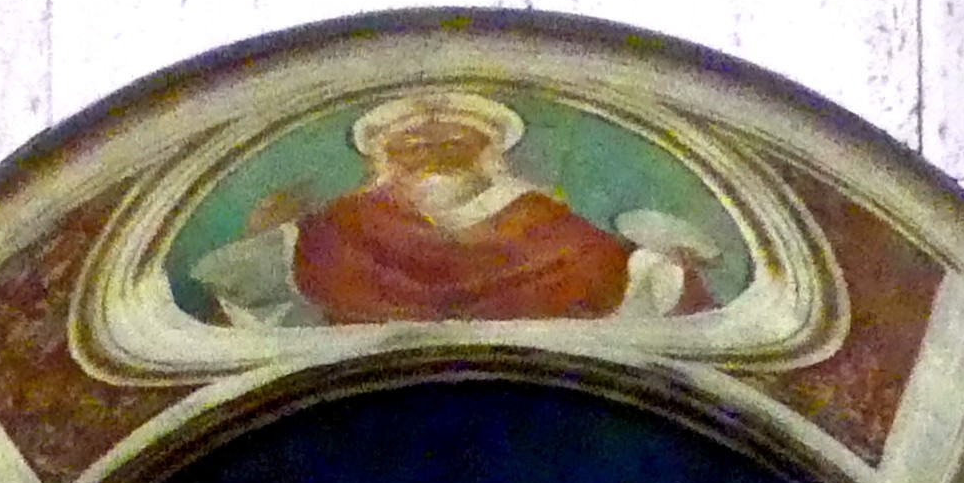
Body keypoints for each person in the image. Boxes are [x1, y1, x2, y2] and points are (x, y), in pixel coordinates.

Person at [254, 90, 715, 325]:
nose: (433, 155)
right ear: (385, 160)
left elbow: (607, 267)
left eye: (455, 143)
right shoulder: (344, 224)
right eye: (412, 147)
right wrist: (269, 236)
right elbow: (276, 273)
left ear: (487, 154)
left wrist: (662, 265)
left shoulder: (535, 217)